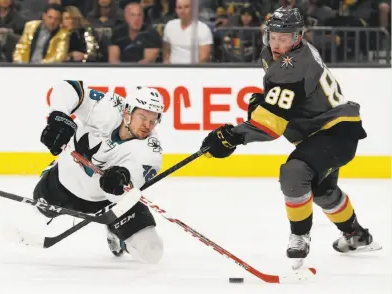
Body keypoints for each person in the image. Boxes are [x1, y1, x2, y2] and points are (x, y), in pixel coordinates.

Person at [200, 7, 381, 270]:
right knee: (323, 191)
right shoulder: (281, 54)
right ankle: (357, 235)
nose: (276, 43)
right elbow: (286, 102)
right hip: (327, 131)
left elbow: (271, 126)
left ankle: (299, 236)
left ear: (297, 37)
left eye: (284, 38)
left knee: (294, 173)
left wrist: (232, 136)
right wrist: (262, 105)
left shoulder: (293, 64)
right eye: (273, 36)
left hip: (335, 132)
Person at [34, 81, 165, 264]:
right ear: (127, 112)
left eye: (153, 120)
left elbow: (131, 181)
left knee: (152, 252)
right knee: (40, 207)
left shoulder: (151, 150)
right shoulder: (109, 106)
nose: (148, 125)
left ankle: (115, 230)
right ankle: (52, 168)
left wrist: (120, 180)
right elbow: (68, 87)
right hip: (62, 183)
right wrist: (59, 115)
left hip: (106, 203)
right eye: (142, 117)